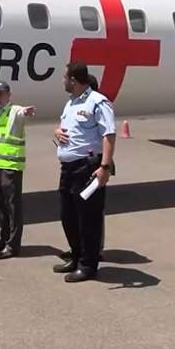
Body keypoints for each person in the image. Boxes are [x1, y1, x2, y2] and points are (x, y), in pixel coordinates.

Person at [53, 61, 117, 283]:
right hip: (68, 168)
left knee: (88, 218)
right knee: (67, 216)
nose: (63, 81)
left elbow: (109, 135)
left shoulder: (98, 102)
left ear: (73, 80)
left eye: (65, 77)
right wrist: (57, 132)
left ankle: (88, 265)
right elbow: (67, 129)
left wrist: (105, 167)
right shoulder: (70, 103)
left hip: (87, 168)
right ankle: (76, 256)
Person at [0, 81, 36, 259]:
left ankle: (13, 245)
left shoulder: (14, 111)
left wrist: (25, 112)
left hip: (11, 167)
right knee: (0, 206)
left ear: (8, 95)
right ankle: (3, 239)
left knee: (13, 207)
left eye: (0, 93)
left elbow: (22, 113)